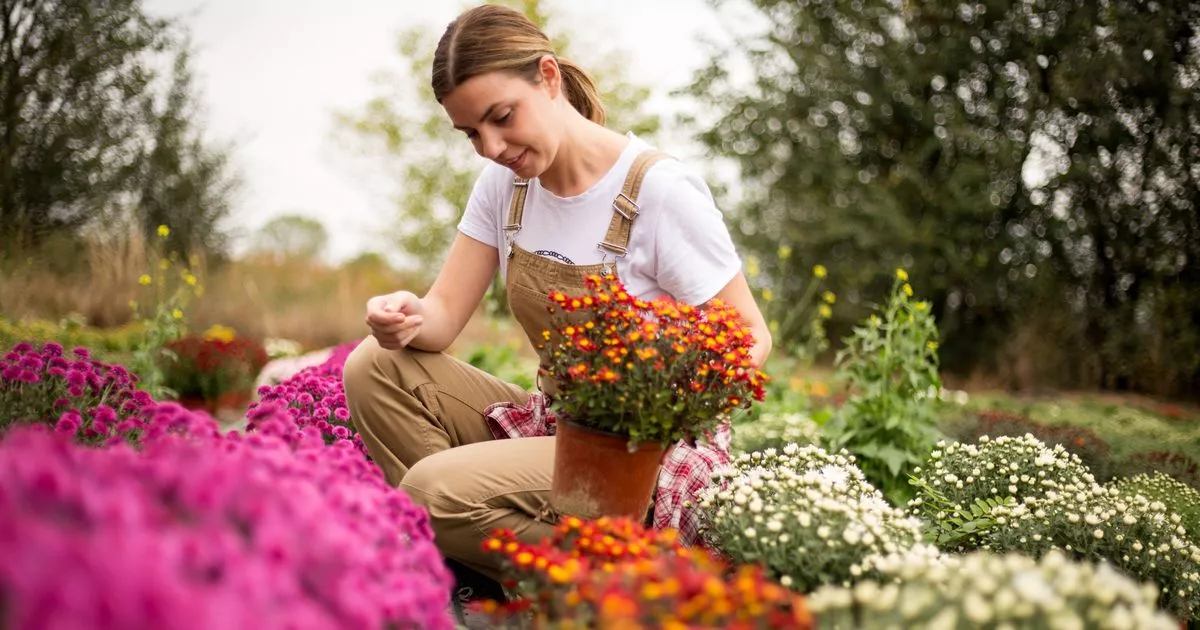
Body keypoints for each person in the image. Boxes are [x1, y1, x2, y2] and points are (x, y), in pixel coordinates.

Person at [342, 2, 771, 601]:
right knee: (372, 367)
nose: (489, 147)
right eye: (471, 133)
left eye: (501, 118)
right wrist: (403, 317)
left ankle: (621, 589)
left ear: (548, 77)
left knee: (431, 492)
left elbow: (751, 335)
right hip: (558, 423)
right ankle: (486, 556)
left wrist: (654, 403)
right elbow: (439, 320)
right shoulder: (505, 187)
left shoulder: (658, 191)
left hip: (640, 454)